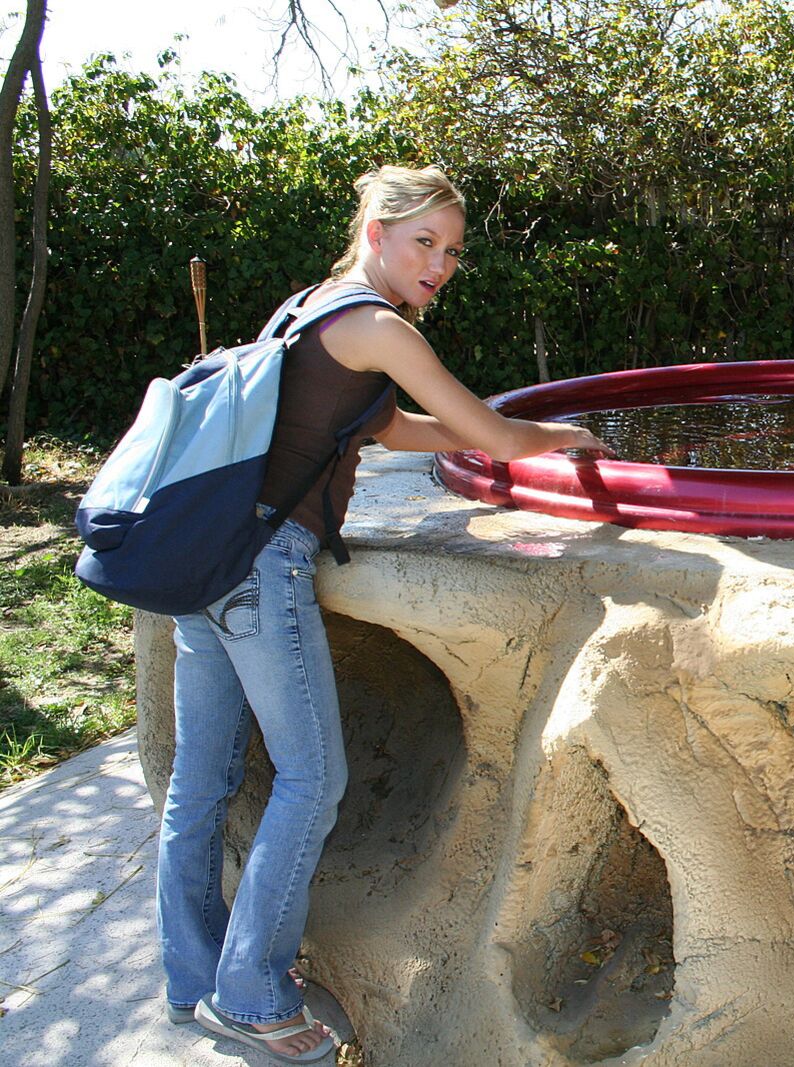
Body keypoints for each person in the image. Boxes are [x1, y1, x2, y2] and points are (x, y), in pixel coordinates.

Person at [157, 164, 610, 1063]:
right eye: (424, 242)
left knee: (201, 780)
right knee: (311, 777)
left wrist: (497, 437)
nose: (439, 264)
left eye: (451, 251)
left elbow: (394, 430)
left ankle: (193, 976)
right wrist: (564, 436)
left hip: (206, 561)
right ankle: (249, 994)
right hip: (264, 567)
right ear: (376, 231)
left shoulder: (310, 308)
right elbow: (495, 435)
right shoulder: (377, 325)